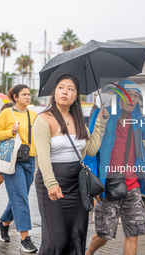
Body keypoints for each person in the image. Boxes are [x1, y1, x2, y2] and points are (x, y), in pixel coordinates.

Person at [32, 74, 109, 255]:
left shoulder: (79, 120)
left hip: (78, 185)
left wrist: (101, 122)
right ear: (55, 92)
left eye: (70, 88)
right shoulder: (43, 119)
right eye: (61, 87)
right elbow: (42, 157)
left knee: (77, 236)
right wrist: (51, 183)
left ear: (76, 96)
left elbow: (90, 149)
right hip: (52, 184)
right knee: (56, 239)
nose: (65, 91)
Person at [85, 79, 145, 255]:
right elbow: (90, 151)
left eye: (136, 96)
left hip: (132, 184)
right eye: (128, 94)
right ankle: (89, 252)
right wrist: (94, 182)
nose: (132, 99)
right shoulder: (104, 115)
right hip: (107, 183)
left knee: (133, 232)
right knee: (104, 234)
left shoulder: (137, 121)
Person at [0, 85, 38, 253]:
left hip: (30, 160)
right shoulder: (7, 113)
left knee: (20, 197)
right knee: (20, 197)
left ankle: (3, 224)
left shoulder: (33, 115)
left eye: (29, 93)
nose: (28, 96)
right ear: (15, 97)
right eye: (24, 94)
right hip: (13, 160)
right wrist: (10, 131)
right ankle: (25, 239)